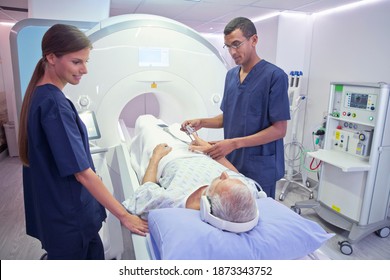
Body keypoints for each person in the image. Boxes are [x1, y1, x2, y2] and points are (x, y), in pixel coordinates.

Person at [18, 24, 148, 260]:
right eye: (77, 62)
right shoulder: (54, 105)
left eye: (86, 62)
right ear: (51, 57)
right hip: (69, 218)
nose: (84, 70)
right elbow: (83, 174)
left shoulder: (39, 95)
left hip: (55, 211)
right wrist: (124, 215)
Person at [181, 17, 290, 199]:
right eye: (228, 46)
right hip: (232, 161)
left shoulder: (275, 77)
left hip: (260, 166)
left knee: (260, 214)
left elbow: (279, 130)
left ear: (254, 40)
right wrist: (202, 122)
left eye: (236, 44)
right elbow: (229, 117)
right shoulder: (231, 76)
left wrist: (234, 143)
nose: (232, 52)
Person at [122, 115, 260, 224]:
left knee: (146, 123)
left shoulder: (174, 201)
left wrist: (156, 156)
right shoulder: (247, 191)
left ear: (207, 203)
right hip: (202, 153)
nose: (224, 174)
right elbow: (235, 173)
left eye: (223, 182)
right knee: (176, 127)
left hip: (169, 156)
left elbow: (146, 189)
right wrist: (207, 148)